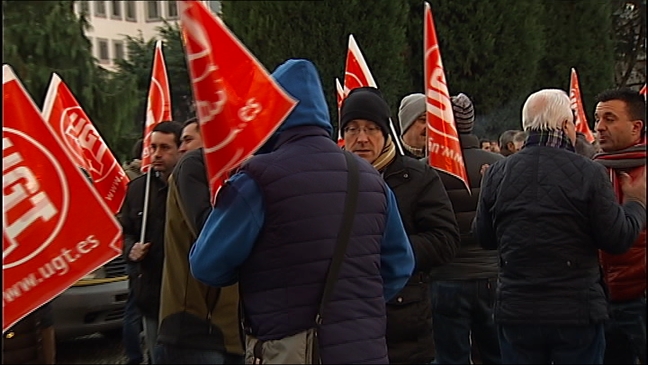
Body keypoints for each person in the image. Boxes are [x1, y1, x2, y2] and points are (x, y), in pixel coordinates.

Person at [188, 59, 415, 364]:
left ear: (269, 109)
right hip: (365, 349)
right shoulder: (370, 177)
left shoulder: (257, 177)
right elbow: (400, 264)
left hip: (291, 347)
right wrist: (354, 308)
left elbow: (206, 265)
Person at [474, 89, 647, 364]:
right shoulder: (589, 172)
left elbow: (484, 237)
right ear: (567, 126)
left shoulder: (498, 172)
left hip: (517, 311)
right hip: (576, 312)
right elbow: (617, 239)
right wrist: (636, 202)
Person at [342, 87, 460, 364]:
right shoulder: (331, 180)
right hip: (346, 324)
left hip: (403, 323)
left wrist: (390, 252)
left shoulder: (417, 177)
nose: (361, 138)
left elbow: (445, 240)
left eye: (371, 128)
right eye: (352, 129)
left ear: (385, 134)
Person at [157, 120, 243, 364]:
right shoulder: (192, 166)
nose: (181, 148)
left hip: (226, 334)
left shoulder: (235, 171)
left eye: (188, 140)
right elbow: (213, 238)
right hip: (195, 329)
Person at [428, 93, 504, 364]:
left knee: (450, 357)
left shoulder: (428, 169)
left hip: (447, 275)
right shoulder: (498, 165)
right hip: (491, 274)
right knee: (498, 354)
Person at [119, 121, 183, 364]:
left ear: (179, 149)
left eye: (165, 147)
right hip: (150, 295)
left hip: (185, 296)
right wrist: (130, 249)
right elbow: (125, 232)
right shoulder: (137, 189)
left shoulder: (191, 186)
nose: (157, 154)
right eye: (153, 147)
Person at [592, 87, 646, 365]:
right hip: (601, 299)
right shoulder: (591, 170)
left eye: (610, 119)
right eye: (597, 119)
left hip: (639, 296)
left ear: (636, 127)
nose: (599, 128)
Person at [398, 93, 427, 159]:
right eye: (423, 120)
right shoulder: (388, 157)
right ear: (407, 123)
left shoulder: (444, 159)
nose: (429, 127)